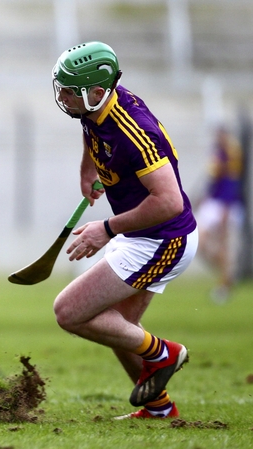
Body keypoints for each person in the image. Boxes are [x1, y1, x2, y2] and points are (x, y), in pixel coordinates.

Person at [50, 42, 198, 420]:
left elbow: (169, 201)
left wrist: (107, 228)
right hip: (145, 235)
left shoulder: (136, 133)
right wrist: (91, 168)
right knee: (118, 324)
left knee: (69, 312)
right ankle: (158, 409)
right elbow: (92, 131)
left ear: (97, 92)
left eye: (70, 91)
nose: (63, 97)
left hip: (164, 238)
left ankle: (163, 353)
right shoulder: (97, 107)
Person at [195, 125, 244, 304]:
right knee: (199, 241)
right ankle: (228, 274)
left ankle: (224, 285)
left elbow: (232, 181)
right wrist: (203, 197)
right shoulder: (217, 152)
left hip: (225, 204)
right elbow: (213, 180)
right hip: (212, 202)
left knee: (223, 245)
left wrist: (226, 207)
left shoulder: (232, 152)